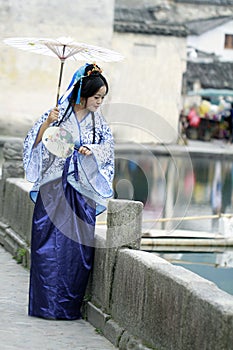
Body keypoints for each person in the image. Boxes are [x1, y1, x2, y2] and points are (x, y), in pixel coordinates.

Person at [23, 63, 114, 320]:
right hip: (52, 189)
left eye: (102, 98)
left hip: (81, 192)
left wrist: (91, 151)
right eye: (97, 97)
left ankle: (67, 307)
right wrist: (47, 125)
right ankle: (44, 306)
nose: (99, 102)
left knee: (77, 250)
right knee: (46, 247)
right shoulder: (57, 114)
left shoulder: (99, 124)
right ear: (82, 94)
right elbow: (35, 142)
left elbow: (107, 151)